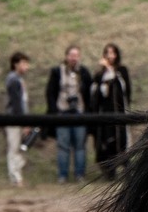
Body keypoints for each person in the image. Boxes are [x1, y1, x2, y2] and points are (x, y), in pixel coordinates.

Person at [44, 44, 91, 183]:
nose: (73, 58)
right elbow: (50, 92)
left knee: (80, 146)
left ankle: (80, 175)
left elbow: (89, 94)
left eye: (76, 55)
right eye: (71, 55)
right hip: (62, 113)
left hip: (80, 114)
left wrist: (88, 112)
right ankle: (63, 175)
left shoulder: (84, 72)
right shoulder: (57, 71)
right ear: (66, 56)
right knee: (63, 146)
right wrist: (54, 111)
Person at [90, 43, 132, 179]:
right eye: (107, 53)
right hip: (104, 113)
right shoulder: (99, 75)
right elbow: (95, 94)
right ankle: (109, 171)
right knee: (106, 142)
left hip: (119, 113)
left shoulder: (121, 71)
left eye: (113, 53)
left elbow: (125, 90)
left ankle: (126, 169)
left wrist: (110, 71)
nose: (110, 56)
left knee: (121, 141)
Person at [4, 52, 31, 187]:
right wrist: (23, 121)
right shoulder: (14, 80)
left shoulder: (18, 79)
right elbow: (16, 103)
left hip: (18, 118)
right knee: (14, 148)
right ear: (16, 64)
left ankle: (16, 175)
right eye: (24, 63)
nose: (27, 67)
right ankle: (15, 178)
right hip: (15, 119)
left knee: (18, 148)